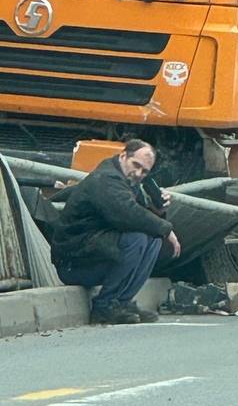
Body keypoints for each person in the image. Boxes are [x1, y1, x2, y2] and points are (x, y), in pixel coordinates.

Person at [51, 138, 181, 325]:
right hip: (74, 263)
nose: (138, 173)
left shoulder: (128, 182)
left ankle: (121, 302)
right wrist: (166, 229)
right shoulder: (106, 179)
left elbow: (141, 217)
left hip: (95, 253)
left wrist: (158, 210)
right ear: (123, 156)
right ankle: (104, 306)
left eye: (144, 171)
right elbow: (127, 214)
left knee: (153, 239)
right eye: (135, 165)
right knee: (136, 239)